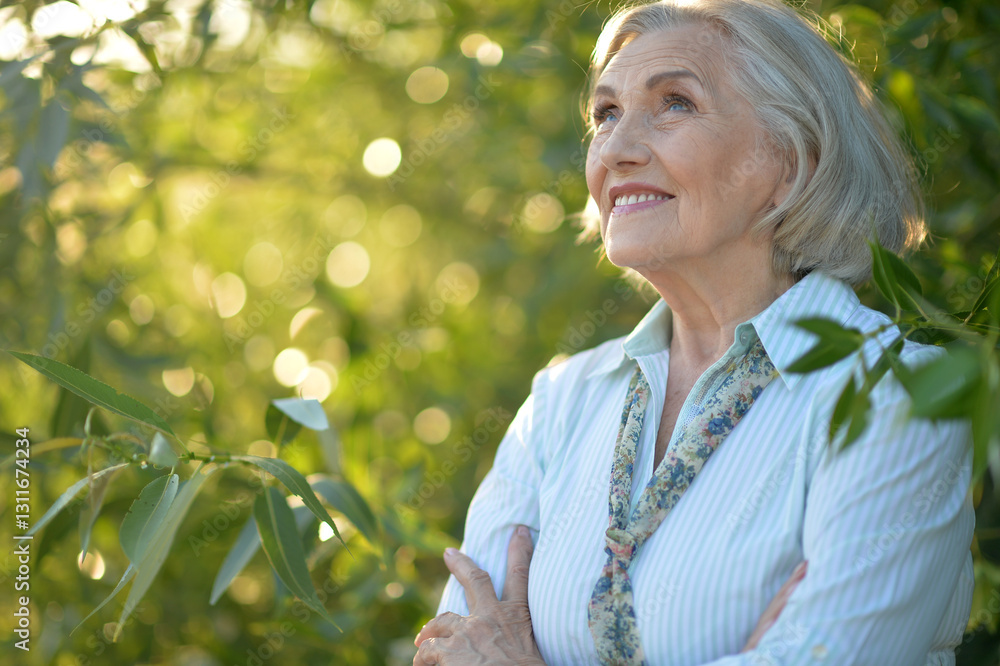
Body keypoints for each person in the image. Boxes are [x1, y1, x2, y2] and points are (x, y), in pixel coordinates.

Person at [413, 0, 975, 663]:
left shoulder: (900, 400)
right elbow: (452, 650)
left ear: (789, 162)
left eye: (676, 103)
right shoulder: (563, 401)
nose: (616, 149)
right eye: (606, 114)